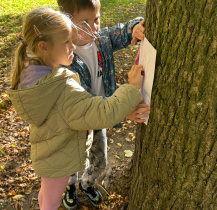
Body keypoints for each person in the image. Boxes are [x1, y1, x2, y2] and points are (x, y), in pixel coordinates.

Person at [8, 7, 144, 210]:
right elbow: (100, 112)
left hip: (52, 150)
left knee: (47, 196)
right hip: (59, 159)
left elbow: (112, 33)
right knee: (50, 203)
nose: (73, 46)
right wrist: (132, 89)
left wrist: (135, 26)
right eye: (67, 42)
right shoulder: (62, 89)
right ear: (44, 47)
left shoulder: (32, 73)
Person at [57, 0, 150, 208]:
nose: (93, 28)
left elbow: (119, 32)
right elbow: (83, 103)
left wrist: (134, 27)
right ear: (67, 23)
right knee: (71, 161)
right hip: (75, 125)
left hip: (100, 119)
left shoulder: (101, 41)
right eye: (84, 23)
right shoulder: (65, 59)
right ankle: (69, 186)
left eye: (96, 20)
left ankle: (88, 184)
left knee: (100, 159)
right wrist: (124, 111)